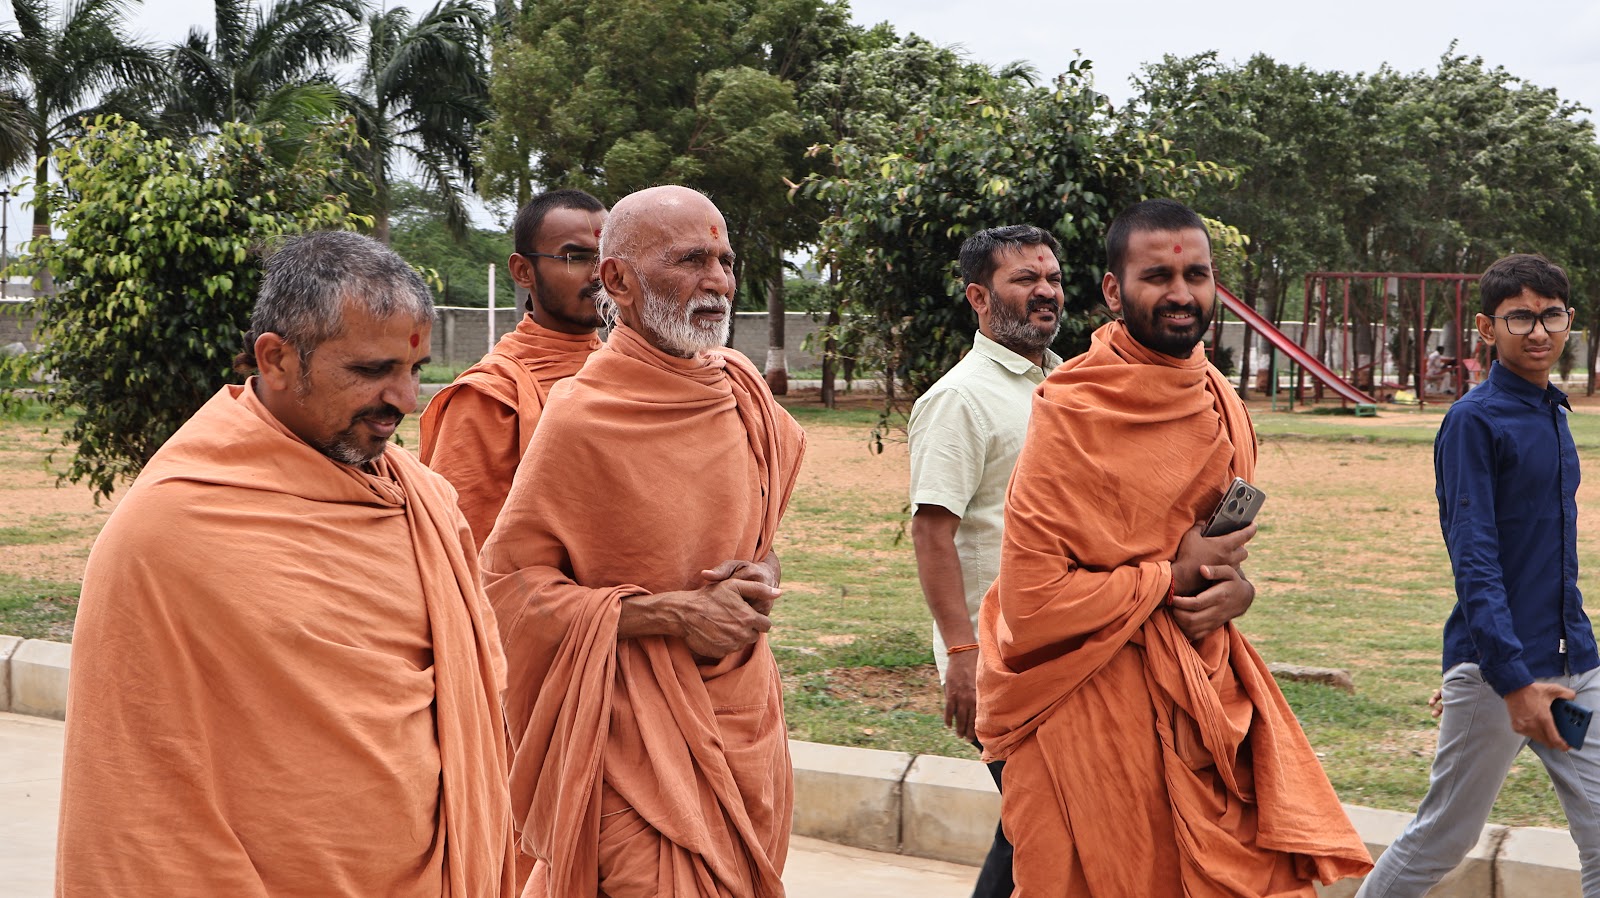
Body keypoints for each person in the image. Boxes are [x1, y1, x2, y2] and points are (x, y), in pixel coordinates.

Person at [56, 231, 516, 897]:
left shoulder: (427, 504)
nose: (405, 402)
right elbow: (136, 784)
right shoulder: (169, 531)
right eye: (370, 371)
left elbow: (477, 710)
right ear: (276, 358)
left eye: (413, 372)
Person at [977, 199, 1372, 896]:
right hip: (1085, 708)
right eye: (1157, 275)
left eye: (1197, 274)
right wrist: (1169, 575)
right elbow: (1033, 606)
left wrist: (1234, 592)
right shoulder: (1071, 410)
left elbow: (1220, 562)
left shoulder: (1220, 400)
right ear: (1112, 290)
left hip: (1201, 700)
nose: (1181, 294)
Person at [480, 185, 806, 898]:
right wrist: (668, 615)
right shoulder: (580, 418)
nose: (717, 281)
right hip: (633, 739)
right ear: (618, 281)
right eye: (690, 260)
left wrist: (759, 575)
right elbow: (508, 585)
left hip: (746, 722)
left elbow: (762, 535)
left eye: (724, 259)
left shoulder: (745, 391)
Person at [1357, 254, 1600, 897]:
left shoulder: (1553, 412)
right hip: (1505, 678)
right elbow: (1476, 559)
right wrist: (1499, 676)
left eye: (1551, 315)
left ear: (1569, 320)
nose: (1539, 330)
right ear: (1487, 329)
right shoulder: (1474, 420)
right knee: (1443, 838)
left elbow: (1548, 555)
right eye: (1520, 317)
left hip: (1572, 665)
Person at [908, 224, 1063, 898]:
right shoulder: (959, 399)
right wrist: (962, 654)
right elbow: (931, 533)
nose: (1046, 292)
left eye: (1052, 278)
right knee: (1041, 817)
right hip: (996, 658)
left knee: (1041, 819)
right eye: (1025, 280)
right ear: (979, 295)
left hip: (1060, 649)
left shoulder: (1066, 382)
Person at [420, 188, 607, 548]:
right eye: (577, 258)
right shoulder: (492, 395)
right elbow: (465, 547)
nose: (600, 275)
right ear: (524, 270)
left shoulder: (630, 371)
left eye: (610, 258)